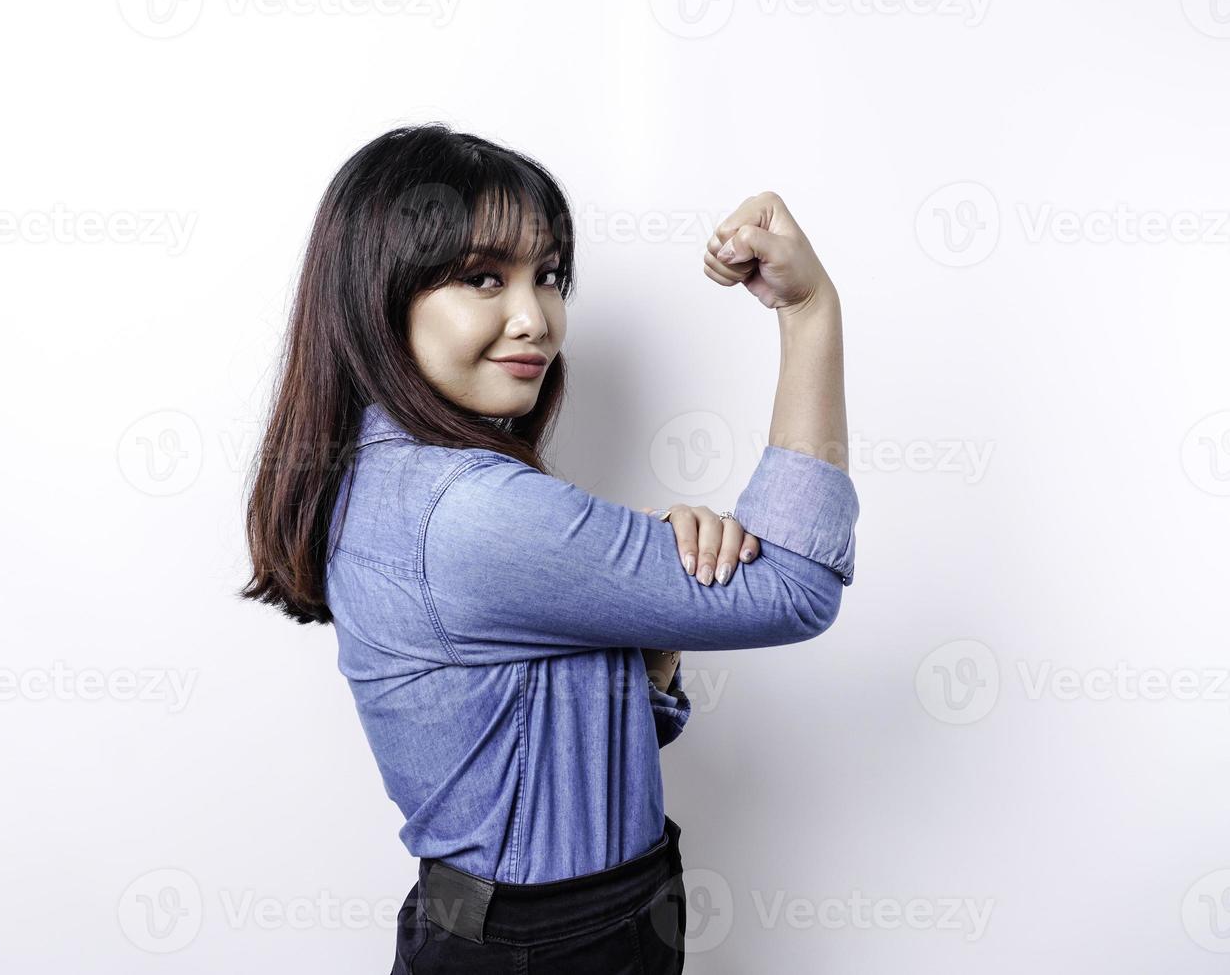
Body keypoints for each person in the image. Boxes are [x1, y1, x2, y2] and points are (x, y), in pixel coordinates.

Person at [240, 123, 858, 974]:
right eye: (483, 278)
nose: (535, 318)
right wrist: (808, 309)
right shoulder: (468, 511)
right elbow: (796, 589)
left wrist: (657, 630)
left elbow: (548, 751)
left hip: (548, 926)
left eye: (550, 277)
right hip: (549, 944)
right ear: (378, 294)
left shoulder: (398, 479)